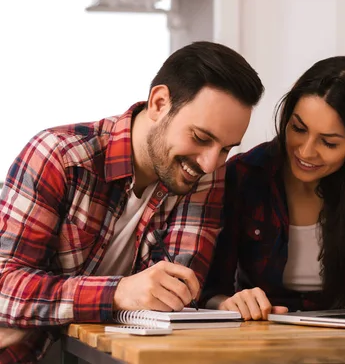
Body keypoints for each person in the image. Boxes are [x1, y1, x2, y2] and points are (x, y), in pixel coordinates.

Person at [0, 41, 264, 362]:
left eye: (226, 149)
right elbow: (4, 288)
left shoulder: (201, 173)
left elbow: (176, 292)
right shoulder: (58, 157)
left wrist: (216, 303)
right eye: (200, 137)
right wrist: (119, 292)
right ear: (159, 103)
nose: (210, 162)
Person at [201, 56, 345, 320]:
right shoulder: (244, 175)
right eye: (298, 128)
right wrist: (230, 304)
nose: (306, 152)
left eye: (329, 143)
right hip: (262, 334)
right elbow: (210, 290)